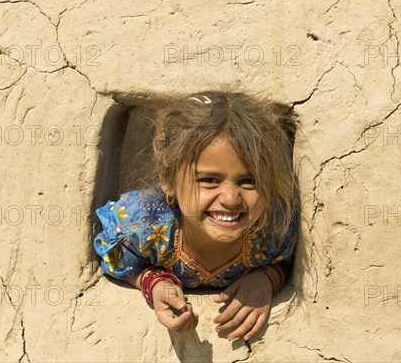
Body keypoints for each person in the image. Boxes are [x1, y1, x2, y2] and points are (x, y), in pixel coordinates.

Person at [93, 90, 300, 342]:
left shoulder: (272, 226)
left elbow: (285, 260)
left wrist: (266, 279)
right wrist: (154, 281)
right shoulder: (144, 222)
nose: (231, 199)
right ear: (168, 180)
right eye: (209, 180)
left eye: (249, 181)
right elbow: (115, 258)